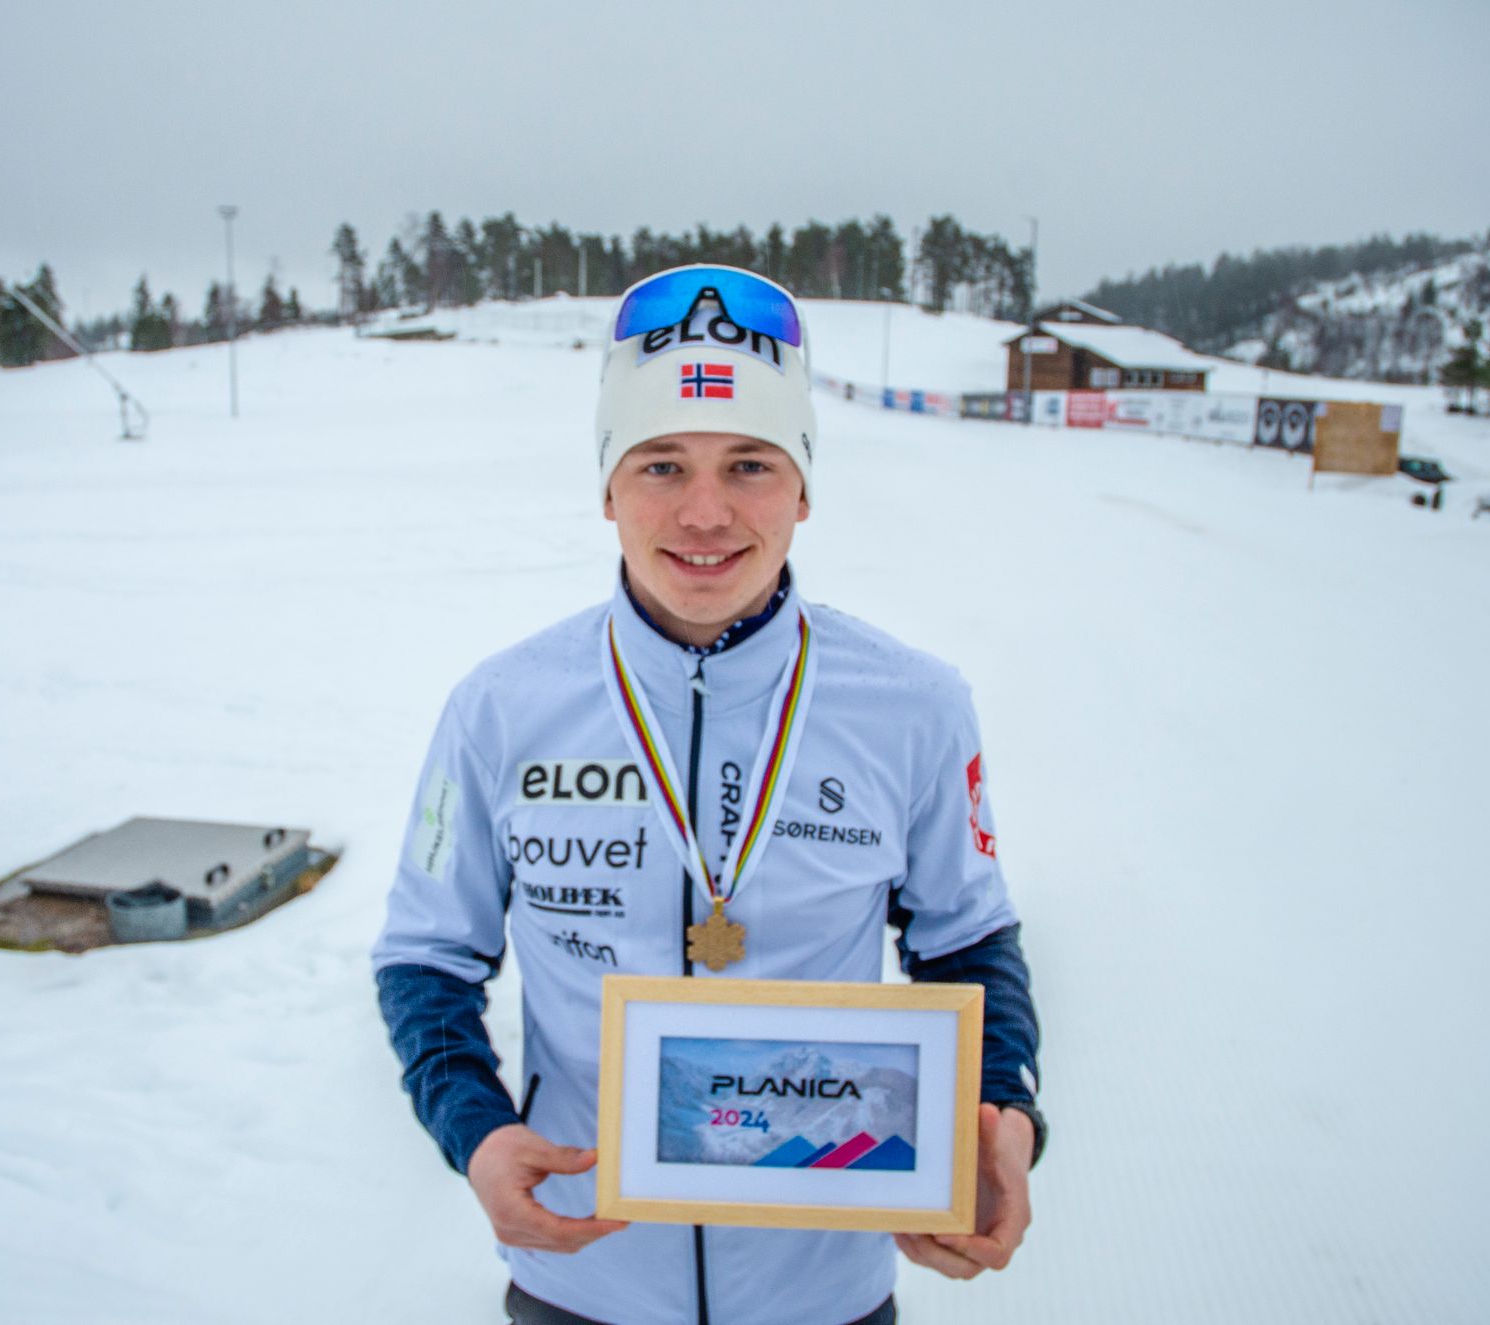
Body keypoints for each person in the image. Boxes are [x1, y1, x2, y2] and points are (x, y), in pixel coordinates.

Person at [374, 266, 1044, 1325]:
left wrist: (1002, 1108)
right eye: (659, 464)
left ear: (804, 487)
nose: (703, 512)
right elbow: (425, 953)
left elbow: (968, 938)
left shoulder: (913, 706)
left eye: (748, 463)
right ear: (605, 487)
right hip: (581, 1271)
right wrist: (475, 1128)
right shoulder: (499, 709)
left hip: (821, 1287)